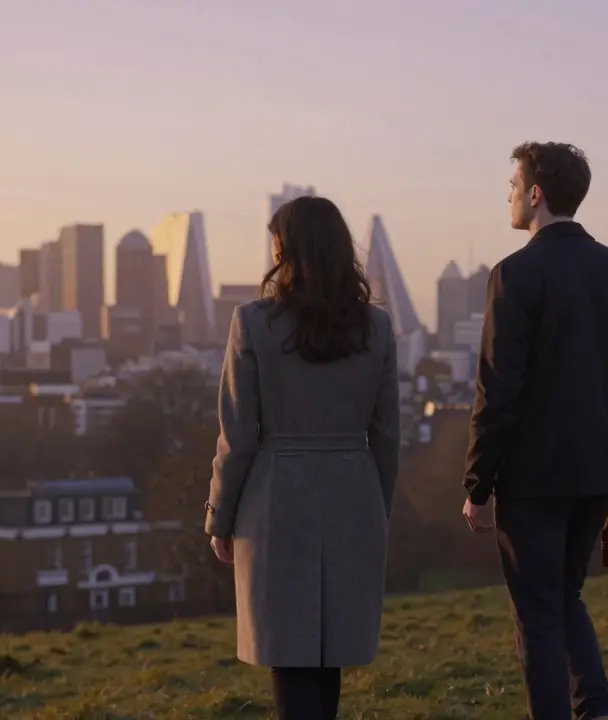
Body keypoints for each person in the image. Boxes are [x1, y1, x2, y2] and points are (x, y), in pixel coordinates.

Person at [462, 142, 608, 720]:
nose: (508, 194)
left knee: (538, 613)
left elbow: (497, 392)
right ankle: (596, 709)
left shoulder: (514, 275)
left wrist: (477, 485)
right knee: (565, 597)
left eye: (513, 184)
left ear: (536, 194)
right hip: (599, 474)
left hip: (532, 480)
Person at [204, 195, 401, 720]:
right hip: (352, 494)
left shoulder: (252, 324)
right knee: (330, 651)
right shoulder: (377, 327)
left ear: (285, 250)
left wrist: (219, 515)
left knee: (287, 651)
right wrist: (377, 509)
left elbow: (238, 434)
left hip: (275, 498)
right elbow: (387, 435)